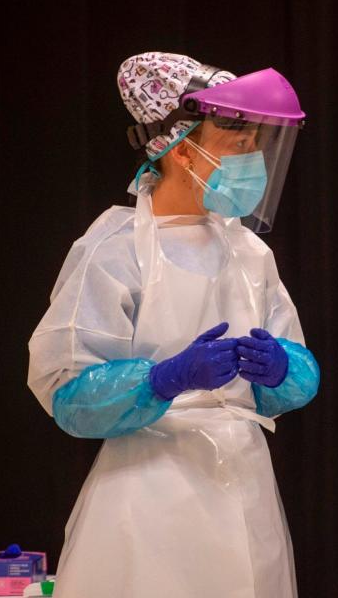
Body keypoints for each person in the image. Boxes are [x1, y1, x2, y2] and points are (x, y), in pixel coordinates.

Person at [27, 51, 320, 598]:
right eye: (239, 145)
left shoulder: (248, 252)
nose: (253, 158)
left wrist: (283, 370)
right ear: (182, 149)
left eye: (257, 144)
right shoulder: (113, 251)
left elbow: (300, 371)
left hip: (245, 487)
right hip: (146, 501)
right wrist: (163, 379)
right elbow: (67, 393)